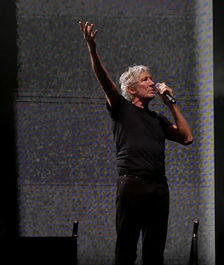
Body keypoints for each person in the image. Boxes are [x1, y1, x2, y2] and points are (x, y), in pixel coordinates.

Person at [79, 21, 193, 265]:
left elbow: (187, 138)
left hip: (159, 188)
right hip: (132, 185)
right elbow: (104, 79)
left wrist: (171, 103)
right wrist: (92, 49)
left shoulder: (157, 119)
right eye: (146, 79)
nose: (152, 83)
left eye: (152, 79)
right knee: (127, 250)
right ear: (131, 88)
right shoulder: (122, 107)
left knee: (154, 253)